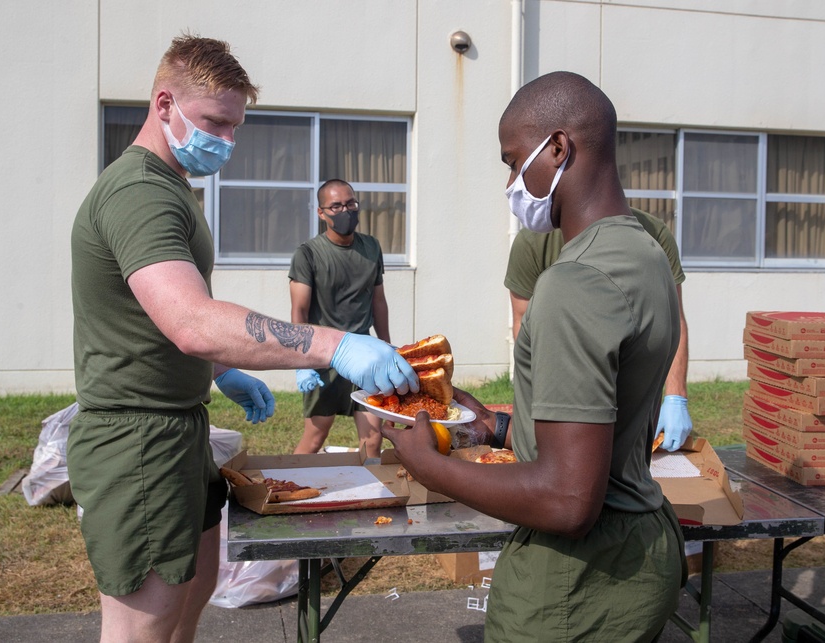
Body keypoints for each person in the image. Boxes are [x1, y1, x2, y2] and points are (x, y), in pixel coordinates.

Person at [69, 35, 417, 643]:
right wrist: (335, 345)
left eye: (236, 127)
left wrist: (216, 371)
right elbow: (191, 320)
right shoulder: (141, 194)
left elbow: (155, 316)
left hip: (178, 426)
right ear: (164, 104)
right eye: (215, 123)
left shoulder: (172, 188)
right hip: (138, 437)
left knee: (188, 598)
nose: (226, 141)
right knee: (140, 628)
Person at [381, 71, 687, 641]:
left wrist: (432, 468)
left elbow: (568, 501)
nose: (509, 181)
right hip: (640, 552)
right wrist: (495, 427)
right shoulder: (644, 251)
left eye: (512, 160)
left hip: (574, 584)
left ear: (559, 148)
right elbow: (601, 419)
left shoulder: (575, 283)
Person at [505, 211, 693, 451]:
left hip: (632, 384)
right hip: (563, 379)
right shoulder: (534, 242)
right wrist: (542, 391)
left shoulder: (654, 235)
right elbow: (523, 322)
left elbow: (672, 317)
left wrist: (676, 397)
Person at [289, 179, 390, 458]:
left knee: (373, 439)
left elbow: (378, 301)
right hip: (325, 355)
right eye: (336, 206)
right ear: (321, 212)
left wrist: (388, 347)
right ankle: (283, 492)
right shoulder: (308, 254)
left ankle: (369, 497)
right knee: (315, 436)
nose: (345, 211)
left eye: (350, 203)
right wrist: (301, 360)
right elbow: (299, 309)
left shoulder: (371, 247)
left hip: (365, 354)